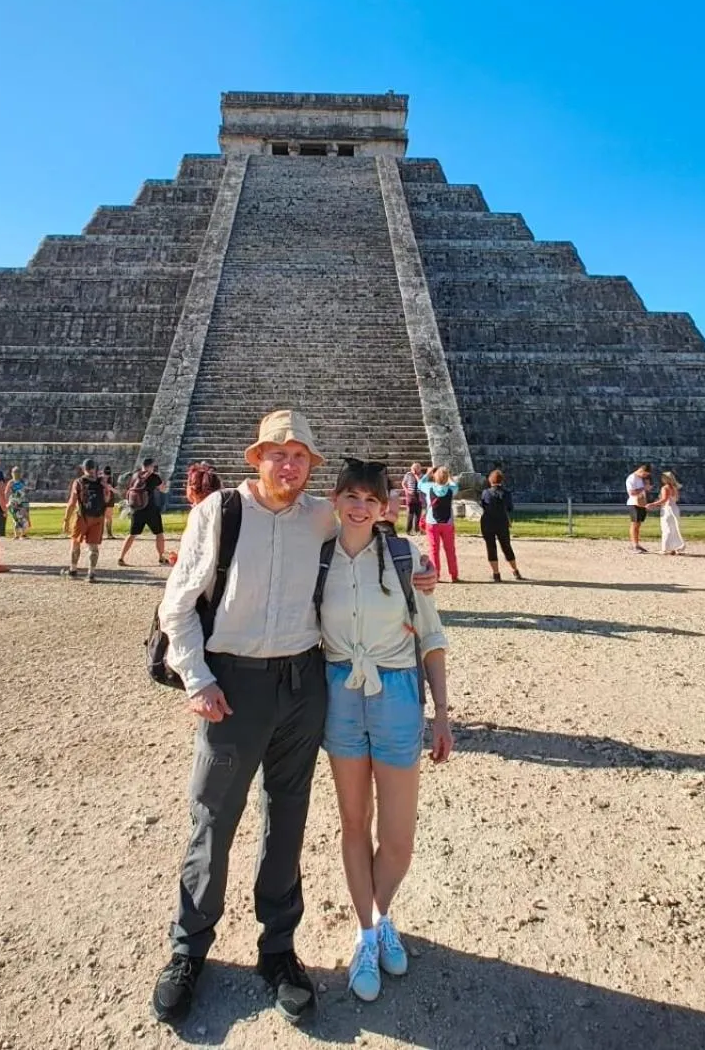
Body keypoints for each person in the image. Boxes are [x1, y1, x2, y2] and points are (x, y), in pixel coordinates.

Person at [151, 411, 437, 1027]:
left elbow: (373, 533)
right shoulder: (219, 512)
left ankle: (278, 949)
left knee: (288, 815)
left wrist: (416, 565)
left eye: (300, 455)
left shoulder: (321, 516)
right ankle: (188, 948)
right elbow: (176, 600)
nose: (288, 464)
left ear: (313, 467)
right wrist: (197, 679)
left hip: (304, 683)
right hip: (233, 683)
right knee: (213, 814)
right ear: (256, 458)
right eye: (277, 453)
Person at [318, 458, 453, 1002]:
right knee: (355, 820)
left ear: (384, 508)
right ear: (335, 500)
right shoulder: (317, 556)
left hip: (396, 693)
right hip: (339, 693)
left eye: (370, 500)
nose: (359, 507)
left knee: (398, 837)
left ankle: (382, 911)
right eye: (350, 496)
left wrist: (442, 711)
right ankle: (369, 932)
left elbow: (433, 636)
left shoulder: (405, 557)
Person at [61, 457, 111, 582]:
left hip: (82, 516)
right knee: (93, 547)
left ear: (83, 469)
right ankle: (91, 573)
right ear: (95, 468)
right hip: (98, 517)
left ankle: (73, 570)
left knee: (75, 543)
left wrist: (66, 520)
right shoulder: (101, 482)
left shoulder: (79, 482)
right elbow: (106, 500)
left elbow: (72, 503)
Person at [118, 458, 169, 567]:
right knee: (159, 534)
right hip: (151, 509)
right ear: (151, 466)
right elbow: (163, 489)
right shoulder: (154, 477)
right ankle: (161, 557)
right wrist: (163, 484)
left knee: (132, 535)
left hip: (136, 509)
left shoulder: (135, 475)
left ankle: (121, 557)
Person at [418, 466, 460, 582]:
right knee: (450, 549)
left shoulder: (429, 487)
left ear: (434, 477)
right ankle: (454, 574)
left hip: (432, 522)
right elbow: (455, 485)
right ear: (446, 478)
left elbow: (420, 484)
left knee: (434, 549)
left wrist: (428, 473)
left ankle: (436, 574)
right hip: (447, 522)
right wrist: (449, 476)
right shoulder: (451, 489)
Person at [478, 469, 521, 581]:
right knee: (506, 546)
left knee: (491, 547)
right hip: (502, 522)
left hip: (488, 522)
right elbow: (510, 508)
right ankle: (515, 570)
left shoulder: (485, 492)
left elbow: (482, 505)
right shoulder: (506, 493)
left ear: (490, 480)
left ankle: (496, 573)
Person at [648, 470, 686, 555]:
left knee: (666, 528)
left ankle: (665, 548)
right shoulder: (675, 487)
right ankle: (676, 547)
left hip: (667, 509)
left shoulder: (665, 488)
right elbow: (676, 499)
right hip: (675, 508)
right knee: (674, 528)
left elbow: (664, 499)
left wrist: (653, 504)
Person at [625, 463, 653, 553]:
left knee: (638, 524)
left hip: (641, 503)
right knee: (634, 524)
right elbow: (632, 493)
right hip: (634, 503)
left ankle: (636, 544)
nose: (645, 476)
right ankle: (634, 545)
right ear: (641, 470)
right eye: (644, 474)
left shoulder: (641, 479)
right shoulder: (632, 478)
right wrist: (643, 488)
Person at [7, 466, 32, 540]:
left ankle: (23, 534)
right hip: (14, 502)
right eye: (14, 472)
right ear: (12, 473)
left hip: (23, 501)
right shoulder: (11, 482)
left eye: (17, 472)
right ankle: (16, 534)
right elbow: (7, 492)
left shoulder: (23, 481)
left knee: (25, 517)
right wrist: (8, 502)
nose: (16, 474)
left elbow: (26, 491)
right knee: (16, 518)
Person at [401, 463, 426, 534]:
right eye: (414, 468)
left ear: (420, 468)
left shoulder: (423, 476)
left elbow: (421, 484)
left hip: (419, 496)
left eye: (417, 467)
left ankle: (417, 530)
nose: (415, 469)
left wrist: (416, 475)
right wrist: (406, 490)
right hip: (410, 496)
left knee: (418, 514)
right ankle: (408, 530)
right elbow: (403, 483)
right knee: (410, 514)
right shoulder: (408, 474)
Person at [101, 465, 119, 538]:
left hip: (110, 500)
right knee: (100, 517)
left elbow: (117, 491)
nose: (106, 476)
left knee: (109, 517)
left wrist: (111, 488)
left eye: (108, 475)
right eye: (105, 474)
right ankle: (99, 533)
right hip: (100, 501)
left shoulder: (112, 479)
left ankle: (109, 534)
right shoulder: (99, 479)